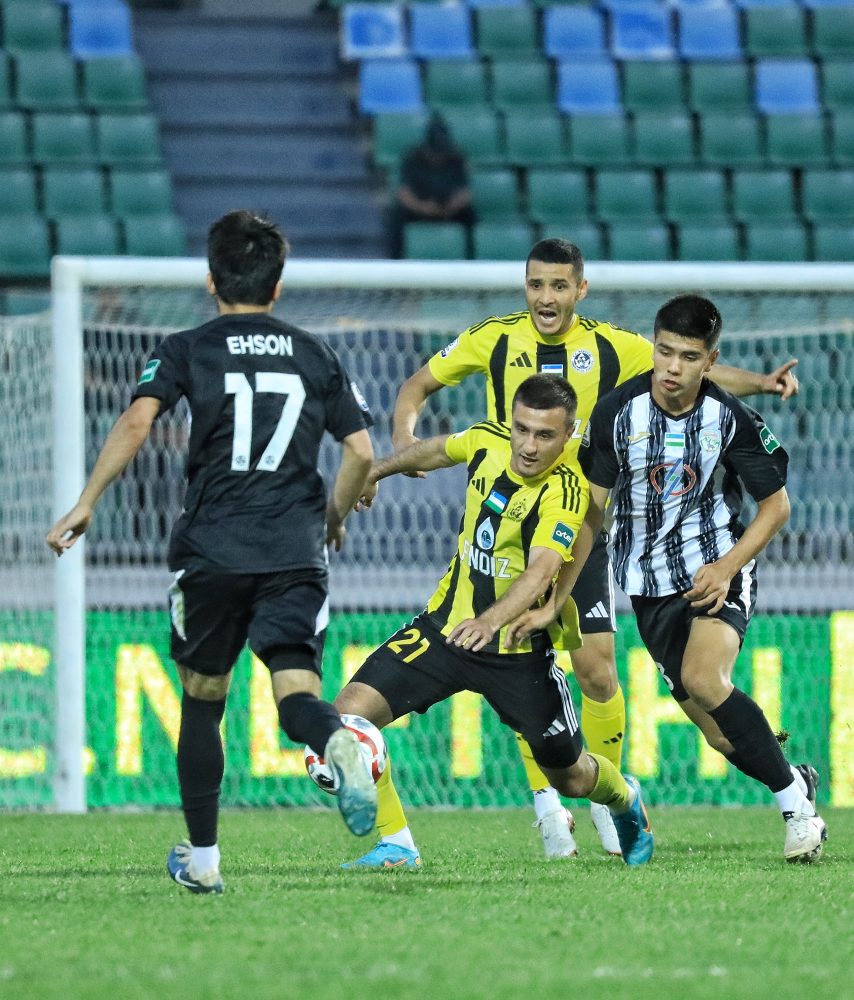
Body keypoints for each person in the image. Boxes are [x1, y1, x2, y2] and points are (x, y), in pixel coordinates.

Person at [370, 237, 802, 862]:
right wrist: (403, 442)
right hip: (505, 527)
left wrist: (760, 383)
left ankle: (608, 801)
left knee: (596, 668)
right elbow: (417, 385)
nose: (546, 297)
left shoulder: (610, 346)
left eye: (558, 285)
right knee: (518, 656)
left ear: (580, 290)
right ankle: (549, 808)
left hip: (581, 522)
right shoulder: (492, 338)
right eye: (536, 284)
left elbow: (690, 372)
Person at [46, 210, 379, 894]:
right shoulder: (315, 353)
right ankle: (334, 740)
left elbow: (138, 420)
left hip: (212, 549)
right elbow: (361, 452)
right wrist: (334, 516)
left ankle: (203, 862)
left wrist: (87, 500)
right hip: (293, 551)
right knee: (297, 693)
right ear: (277, 285)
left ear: (210, 280)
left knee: (203, 699)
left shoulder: (187, 347)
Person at [510, 294, 826, 864]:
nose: (672, 367)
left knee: (706, 678)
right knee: (718, 734)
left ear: (711, 360)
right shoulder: (615, 414)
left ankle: (797, 813)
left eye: (688, 356)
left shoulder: (729, 417)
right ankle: (794, 777)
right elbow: (592, 514)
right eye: (664, 352)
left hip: (715, 568)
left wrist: (728, 567)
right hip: (647, 585)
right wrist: (558, 595)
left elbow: (776, 506)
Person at [335, 373, 653, 869]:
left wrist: (490, 622)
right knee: (347, 719)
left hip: (517, 655)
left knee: (571, 777)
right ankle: (396, 844)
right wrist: (378, 469)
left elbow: (541, 571)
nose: (528, 446)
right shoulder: (487, 440)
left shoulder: (566, 491)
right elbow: (436, 450)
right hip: (443, 632)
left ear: (568, 434)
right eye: (522, 429)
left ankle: (624, 797)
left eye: (544, 435)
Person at [386, 114, 476, 259]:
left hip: (449, 209)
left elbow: (465, 193)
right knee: (396, 217)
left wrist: (451, 206)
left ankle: (473, 261)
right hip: (419, 207)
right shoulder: (412, 157)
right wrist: (422, 207)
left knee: (471, 217)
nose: (437, 156)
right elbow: (403, 193)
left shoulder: (457, 158)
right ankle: (397, 262)